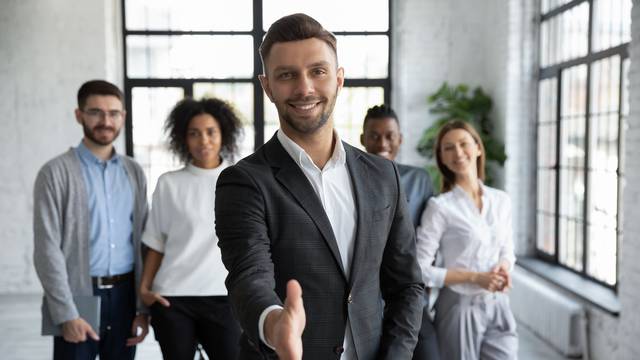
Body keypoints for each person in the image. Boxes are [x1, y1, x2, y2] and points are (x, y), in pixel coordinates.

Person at [215, 13, 424, 360]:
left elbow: (406, 285)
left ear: (339, 79)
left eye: (318, 71)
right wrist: (273, 324)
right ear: (267, 86)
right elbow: (248, 277)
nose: (305, 88)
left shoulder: (383, 175)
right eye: (286, 75)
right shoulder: (245, 181)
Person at [33, 80, 149, 359]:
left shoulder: (133, 172)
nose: (105, 121)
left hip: (125, 297)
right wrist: (65, 313)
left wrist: (143, 309)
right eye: (95, 112)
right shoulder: (55, 173)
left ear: (123, 117)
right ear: (79, 115)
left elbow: (145, 240)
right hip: (77, 296)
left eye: (113, 113)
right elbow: (47, 249)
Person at [139, 97, 242, 359]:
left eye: (211, 132)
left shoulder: (242, 180)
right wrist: (144, 289)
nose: (203, 140)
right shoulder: (169, 184)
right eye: (194, 134)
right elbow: (157, 242)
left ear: (224, 135)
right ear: (183, 139)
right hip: (173, 299)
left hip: (224, 297)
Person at [415, 120, 518, 360]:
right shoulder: (440, 207)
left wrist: (504, 269)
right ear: (441, 157)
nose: (458, 152)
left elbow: (507, 250)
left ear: (478, 148)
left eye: (463, 144)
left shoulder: (501, 201)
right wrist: (475, 277)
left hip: (498, 303)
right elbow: (420, 269)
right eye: (448, 148)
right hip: (458, 306)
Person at [360, 104, 439, 360]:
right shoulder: (351, 179)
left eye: (389, 135)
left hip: (408, 292)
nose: (382, 142)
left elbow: (432, 235)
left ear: (400, 139)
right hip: (365, 296)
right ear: (363, 139)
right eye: (374, 135)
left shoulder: (419, 179)